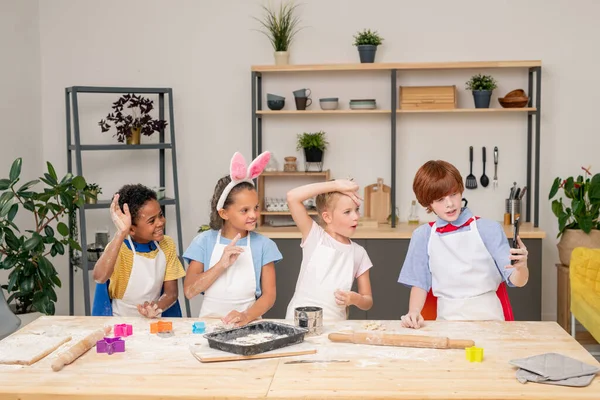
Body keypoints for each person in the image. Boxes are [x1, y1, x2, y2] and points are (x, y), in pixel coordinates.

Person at [398, 160, 529, 329]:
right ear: (428, 203)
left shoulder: (489, 229)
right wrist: (414, 312)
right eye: (440, 199)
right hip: (446, 323)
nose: (450, 204)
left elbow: (518, 281)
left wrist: (521, 267)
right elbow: (419, 284)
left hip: (491, 322)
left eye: (453, 194)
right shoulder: (423, 236)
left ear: (461, 191)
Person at [183, 151, 282, 326]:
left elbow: (269, 296)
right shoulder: (204, 242)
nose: (253, 215)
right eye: (245, 210)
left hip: (249, 324)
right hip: (209, 325)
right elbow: (190, 291)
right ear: (224, 213)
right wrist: (221, 264)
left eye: (256, 207)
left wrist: (246, 316)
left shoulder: (265, 245)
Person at [285, 179, 373, 321]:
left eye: (357, 210)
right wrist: (335, 185)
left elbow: (367, 301)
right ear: (327, 217)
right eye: (347, 212)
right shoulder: (315, 237)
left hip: (335, 326)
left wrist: (355, 299)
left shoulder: (359, 253)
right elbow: (292, 197)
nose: (356, 217)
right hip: (299, 321)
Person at [92, 184, 186, 318]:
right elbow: (99, 277)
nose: (160, 222)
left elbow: (171, 293)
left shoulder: (167, 245)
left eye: (160, 215)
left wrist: (155, 308)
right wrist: (121, 233)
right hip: (121, 323)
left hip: (154, 320)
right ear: (131, 229)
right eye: (151, 221)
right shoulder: (119, 249)